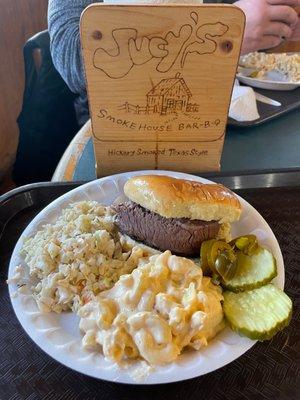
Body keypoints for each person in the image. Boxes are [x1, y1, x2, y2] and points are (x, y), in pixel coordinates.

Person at [48, 0, 300, 125]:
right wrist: (223, 30)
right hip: (116, 124)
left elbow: (247, 22)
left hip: (217, 117)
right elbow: (73, 60)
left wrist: (278, 23)